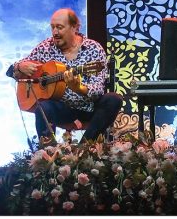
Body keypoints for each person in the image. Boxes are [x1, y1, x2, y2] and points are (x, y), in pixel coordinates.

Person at [8, 8, 121, 146]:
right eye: (53, 27)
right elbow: (12, 72)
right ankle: (50, 156)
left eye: (59, 27)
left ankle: (84, 149)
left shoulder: (93, 49)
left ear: (74, 27)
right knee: (43, 107)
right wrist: (19, 66)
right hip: (61, 109)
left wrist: (79, 88)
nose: (55, 32)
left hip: (88, 108)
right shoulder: (45, 47)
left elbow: (97, 89)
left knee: (113, 99)